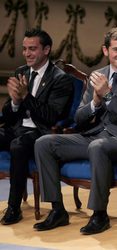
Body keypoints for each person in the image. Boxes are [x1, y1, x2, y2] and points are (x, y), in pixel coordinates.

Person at [33, 27, 117, 234]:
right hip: (92, 135)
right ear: (106, 51)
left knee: (98, 146)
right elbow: (79, 119)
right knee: (44, 143)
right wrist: (95, 103)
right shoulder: (97, 75)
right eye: (116, 49)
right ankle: (57, 210)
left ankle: (99, 214)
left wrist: (108, 95)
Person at [0, 28, 74, 225]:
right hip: (17, 128)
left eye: (32, 49)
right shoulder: (21, 72)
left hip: (41, 132)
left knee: (18, 144)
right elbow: (8, 116)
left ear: (46, 50)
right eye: (24, 49)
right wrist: (15, 102)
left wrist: (26, 97)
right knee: (13, 137)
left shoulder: (60, 79)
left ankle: (14, 208)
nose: (26, 54)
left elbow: (51, 117)